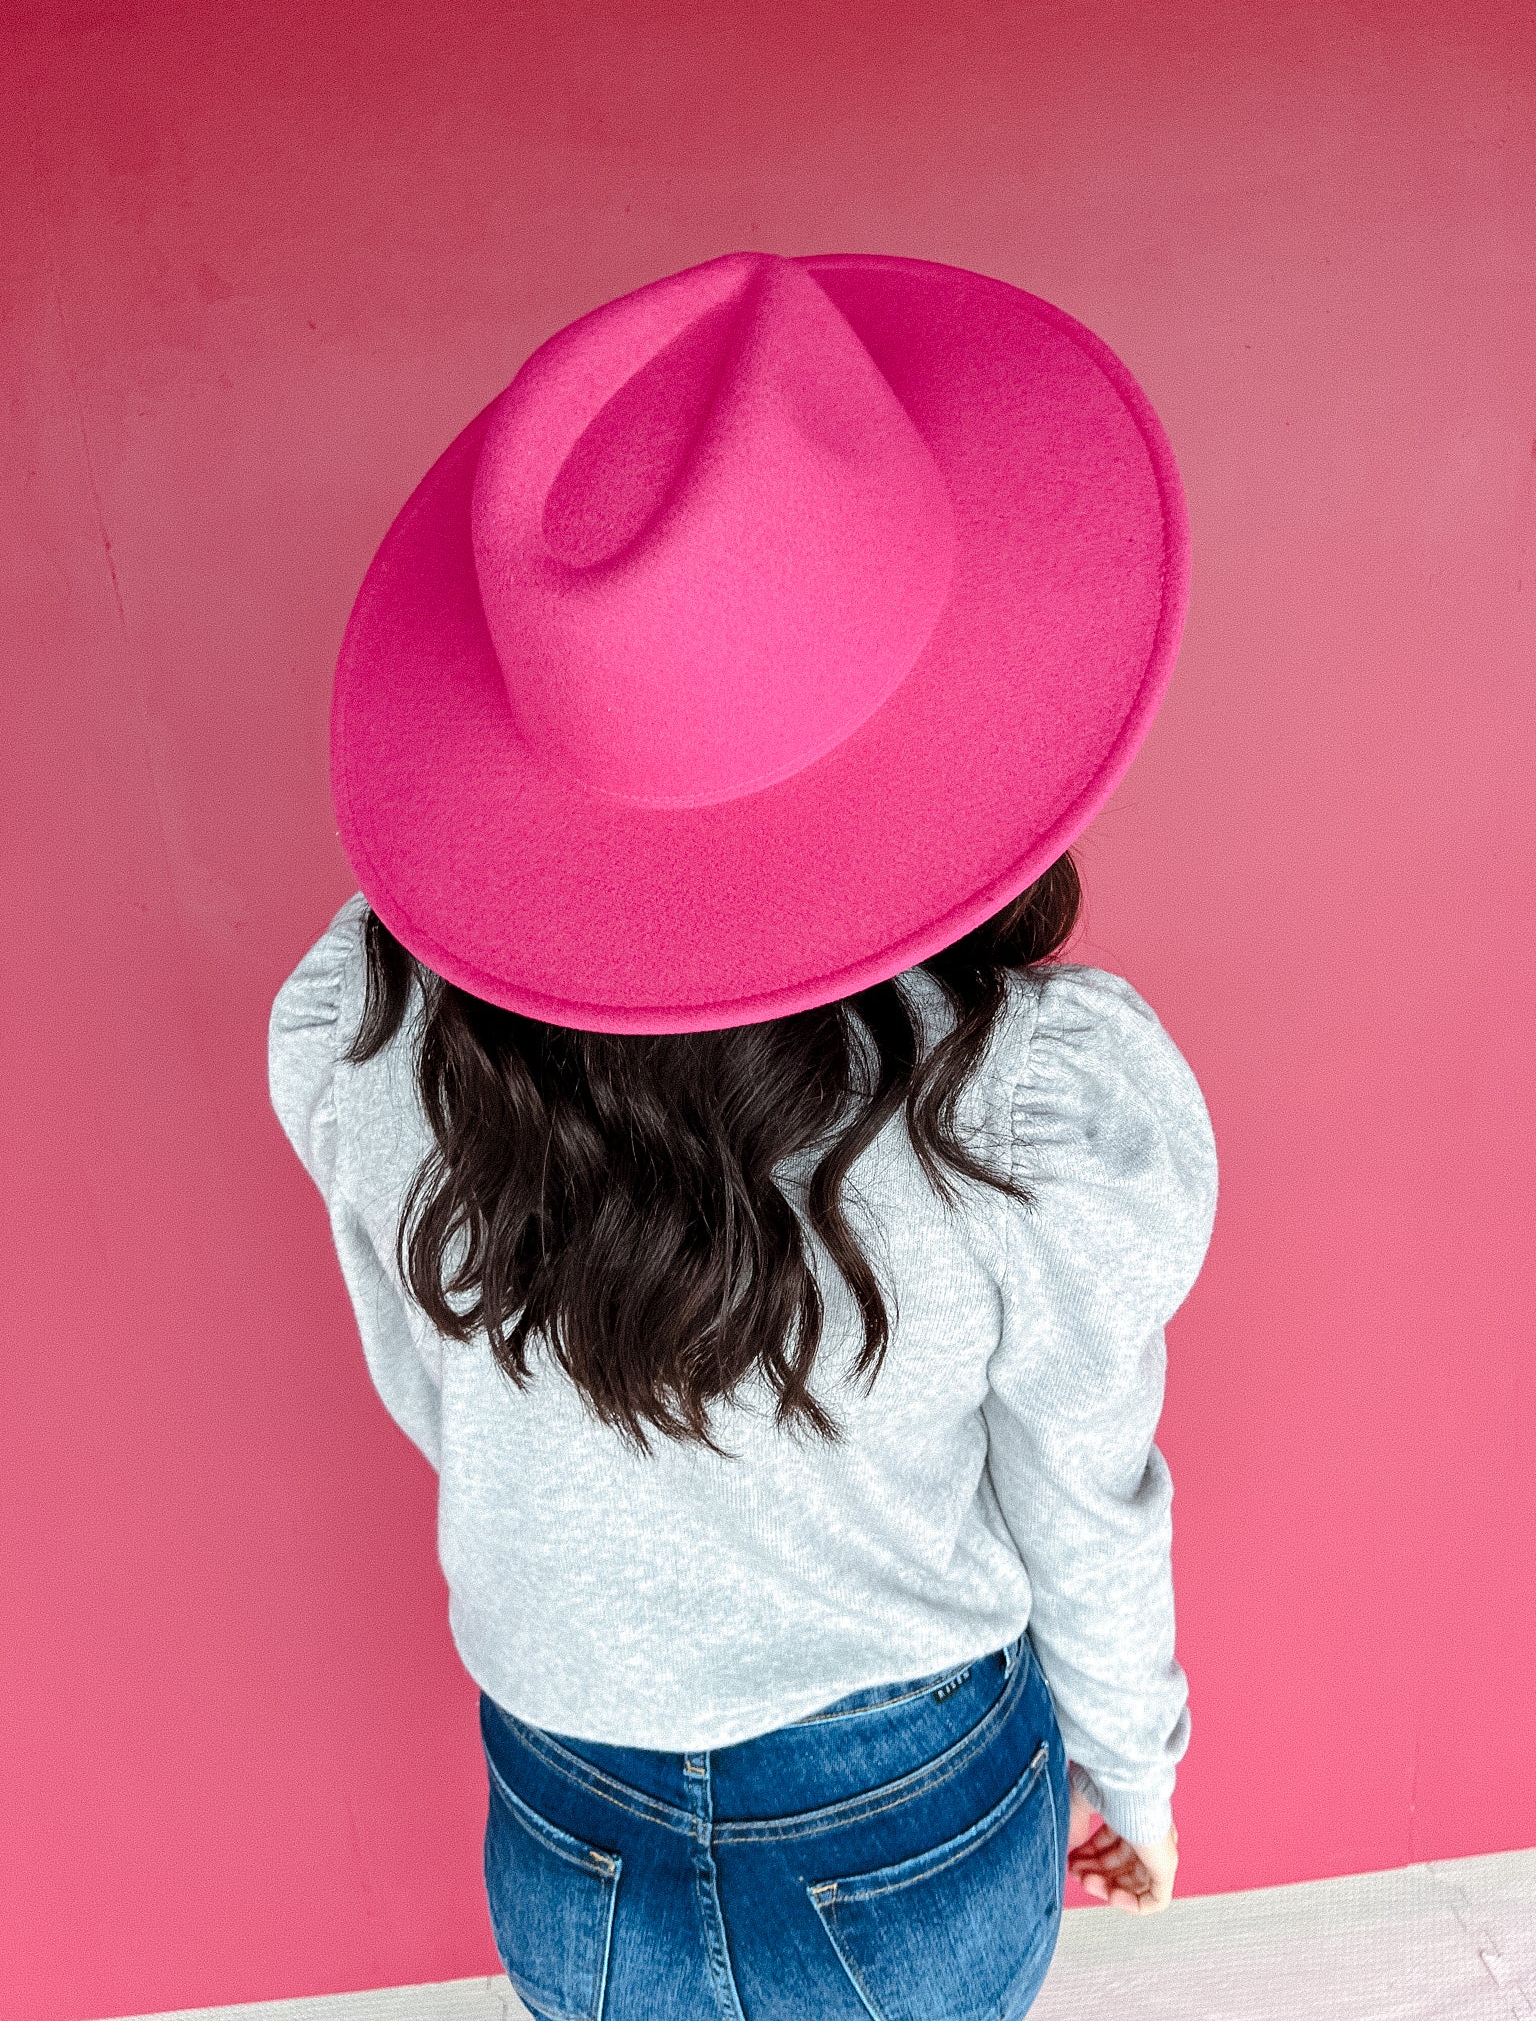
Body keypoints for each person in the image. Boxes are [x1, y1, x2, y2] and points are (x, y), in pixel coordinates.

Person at [269, 249, 1216, 2019]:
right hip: (905, 1801)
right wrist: (1137, 1767)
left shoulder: (374, 1035)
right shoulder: (1025, 1105)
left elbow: (438, 1393)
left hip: (567, 1793)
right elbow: (1078, 1484)